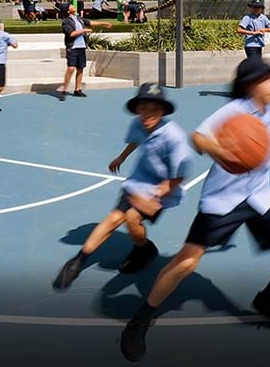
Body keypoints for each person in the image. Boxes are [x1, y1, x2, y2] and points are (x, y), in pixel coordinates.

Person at [119, 56, 270, 362]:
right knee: (185, 265)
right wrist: (220, 149)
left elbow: (269, 139)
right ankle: (140, 319)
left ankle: (268, 300)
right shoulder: (233, 112)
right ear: (252, 86)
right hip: (223, 199)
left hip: (259, 195)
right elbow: (197, 138)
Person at [53, 83, 192, 290]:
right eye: (143, 108)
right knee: (114, 218)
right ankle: (77, 262)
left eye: (154, 109)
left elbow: (181, 172)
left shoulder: (174, 137)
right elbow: (136, 141)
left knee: (132, 219)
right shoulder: (138, 124)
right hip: (138, 180)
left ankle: (143, 250)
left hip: (161, 187)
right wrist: (122, 157)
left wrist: (157, 195)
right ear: (137, 110)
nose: (148, 114)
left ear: (162, 111)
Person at [58, 2, 111, 101]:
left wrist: (104, 23)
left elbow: (90, 23)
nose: (74, 7)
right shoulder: (66, 22)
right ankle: (64, 90)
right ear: (68, 10)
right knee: (71, 68)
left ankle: (77, 89)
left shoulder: (79, 19)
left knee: (80, 68)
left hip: (81, 47)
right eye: (71, 6)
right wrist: (84, 31)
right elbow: (71, 34)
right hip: (73, 48)